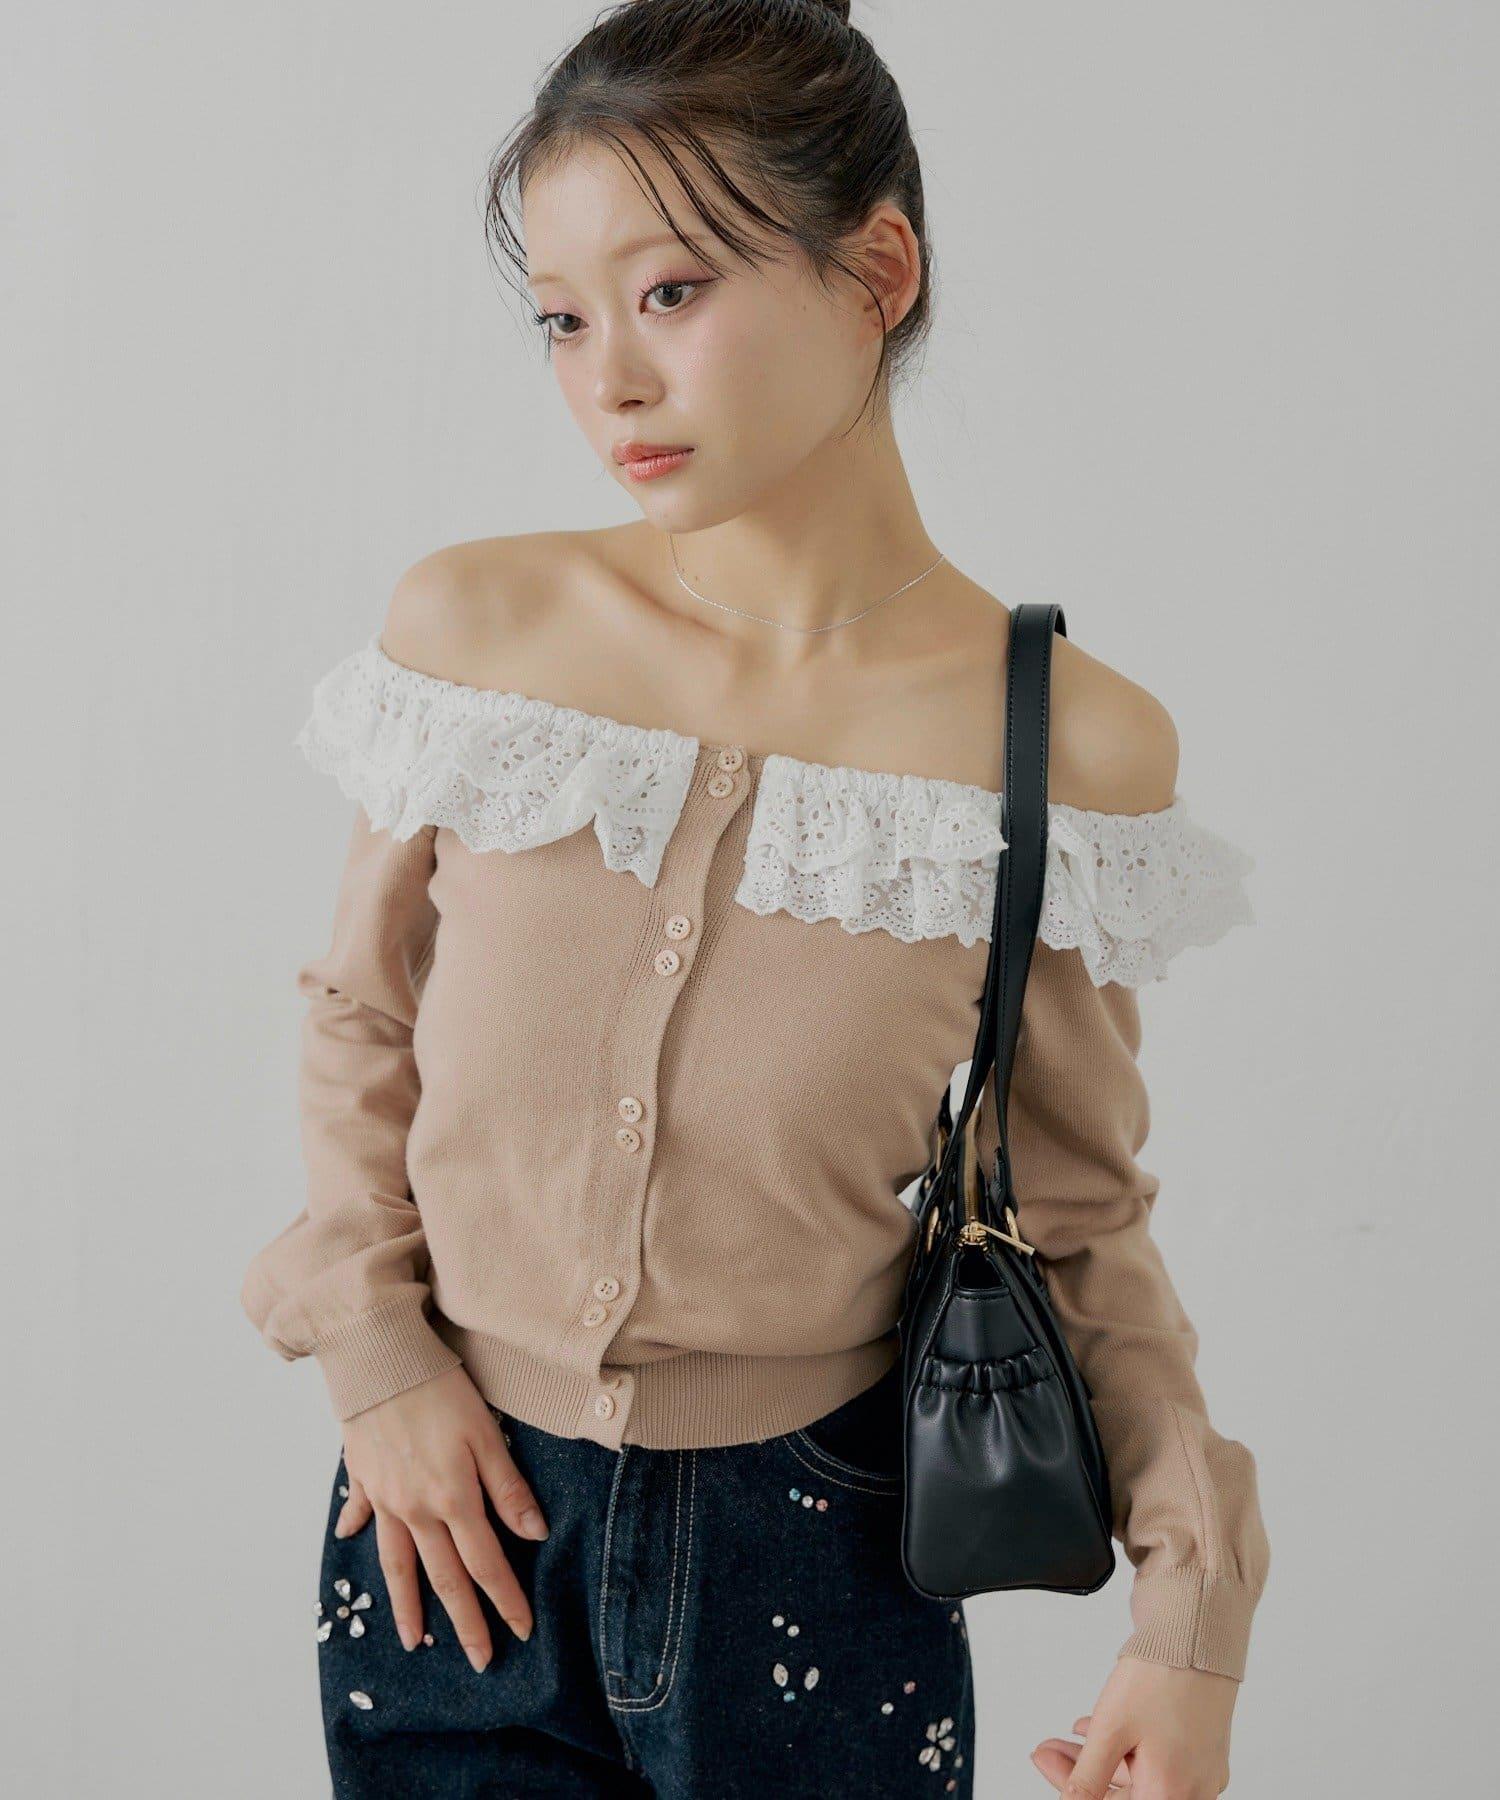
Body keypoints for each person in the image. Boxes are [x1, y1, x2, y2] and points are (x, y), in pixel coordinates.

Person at [241, 2, 1271, 1794]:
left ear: (877, 272)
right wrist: (377, 1361)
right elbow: (361, 1025)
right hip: (449, 1531)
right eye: (564, 319)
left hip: (822, 1557)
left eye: (670, 292)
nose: (610, 382)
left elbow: (1076, 1219)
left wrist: (1191, 1624)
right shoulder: (479, 635)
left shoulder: (1062, 750)